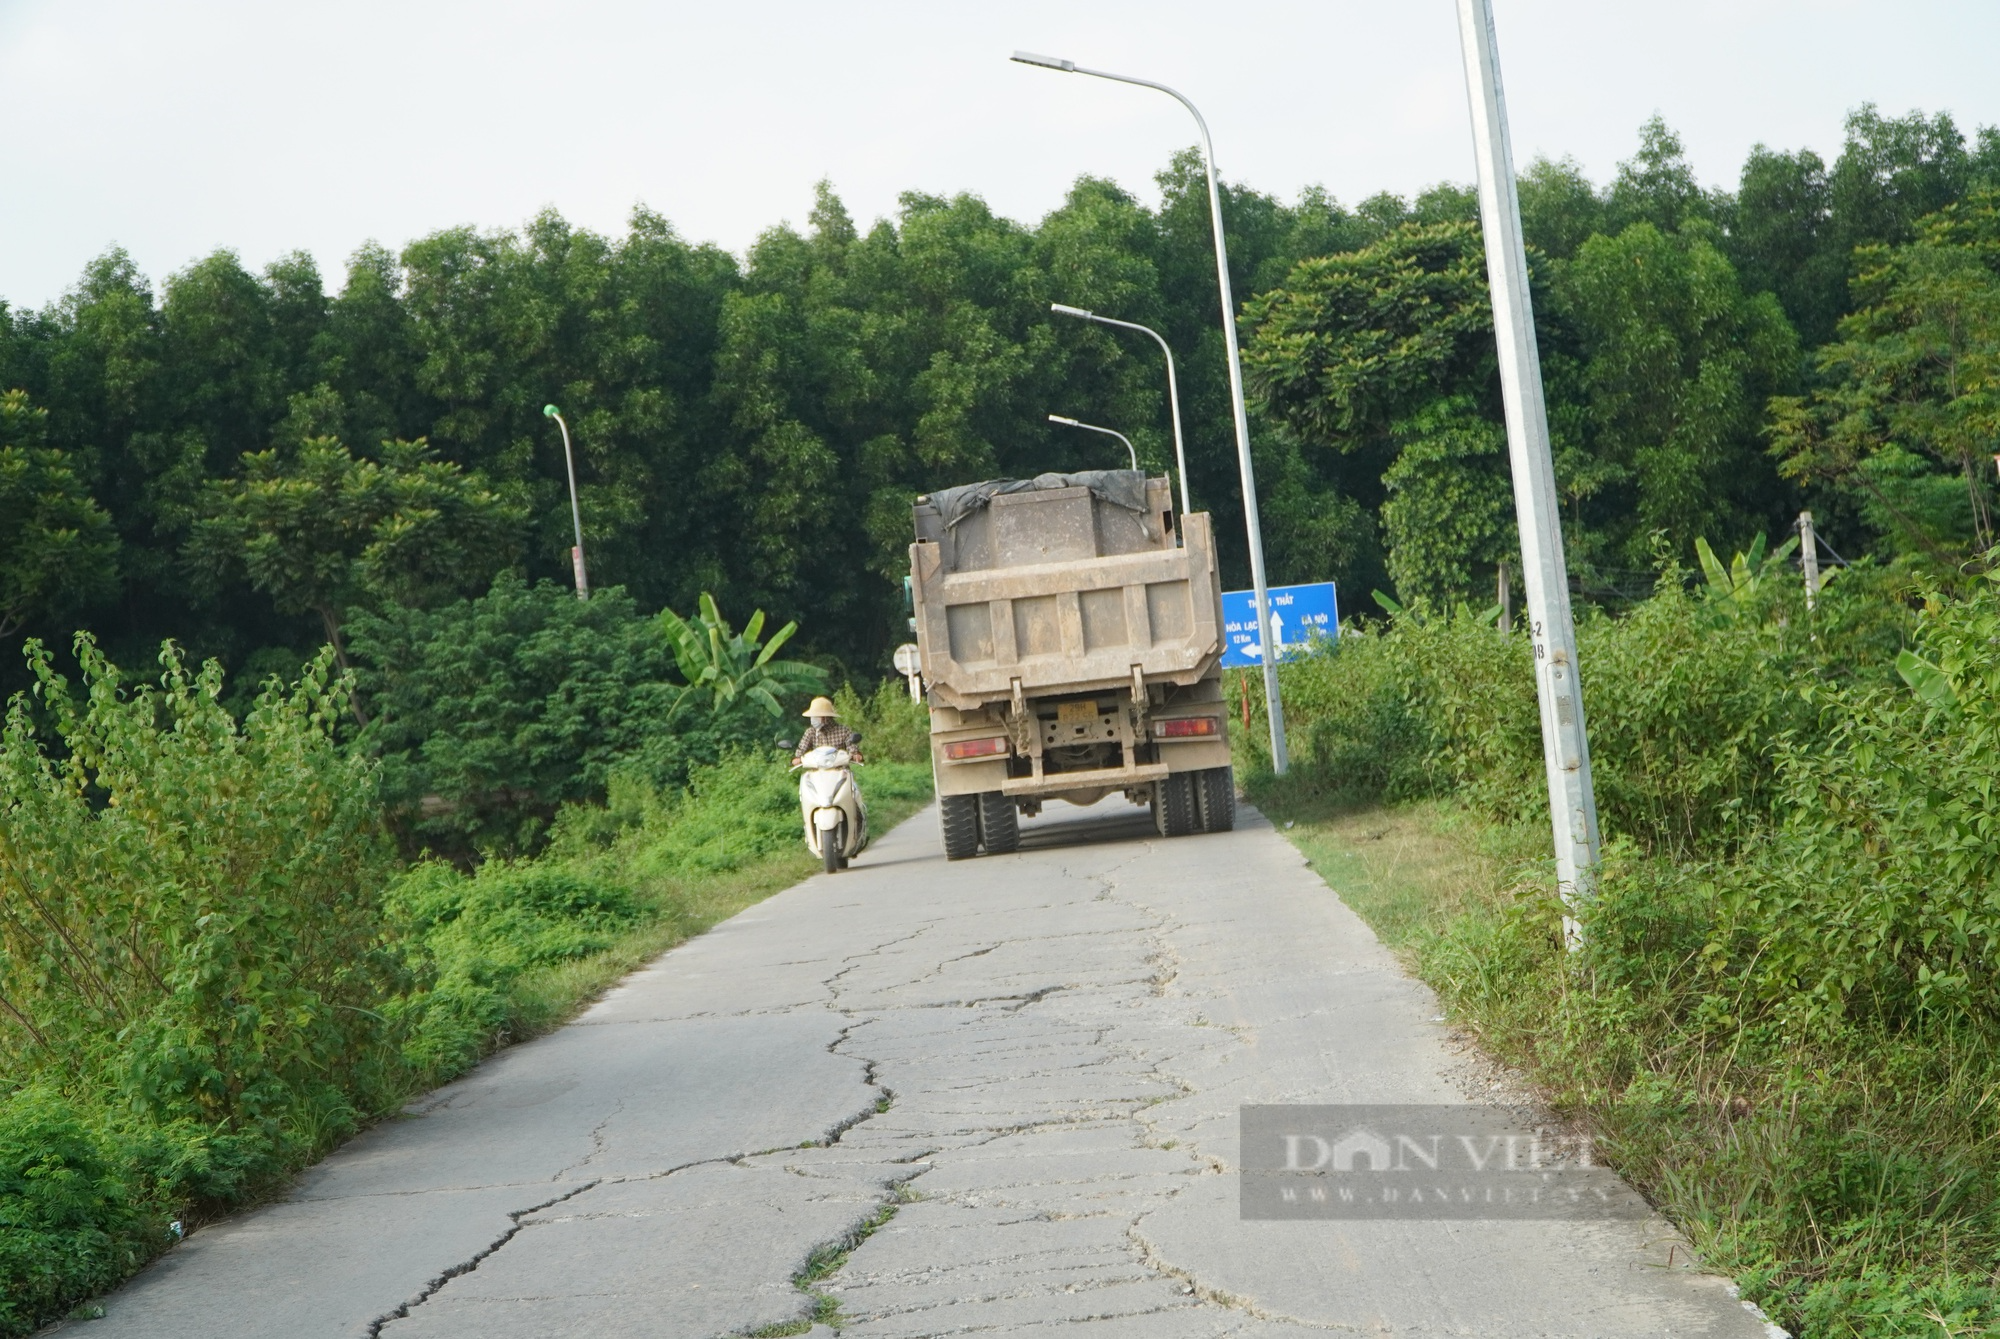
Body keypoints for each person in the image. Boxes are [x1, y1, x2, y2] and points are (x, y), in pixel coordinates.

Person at [794, 696, 863, 763]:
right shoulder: (811, 732)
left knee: (848, 775)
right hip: (817, 769)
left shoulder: (843, 731)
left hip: (839, 769)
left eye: (816, 716)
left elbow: (851, 745)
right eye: (813, 716)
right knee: (806, 775)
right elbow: (802, 748)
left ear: (826, 717)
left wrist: (855, 754)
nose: (813, 719)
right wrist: (797, 758)